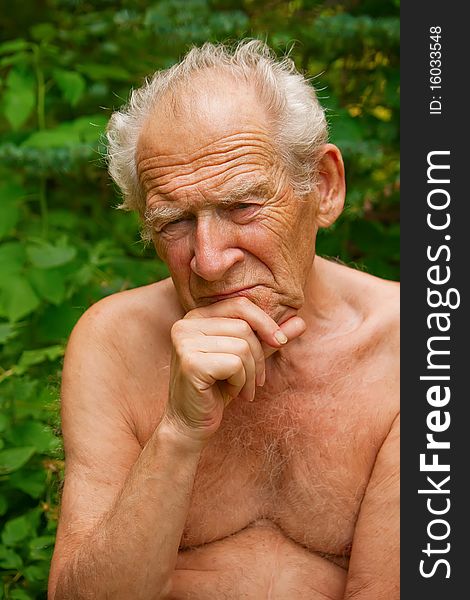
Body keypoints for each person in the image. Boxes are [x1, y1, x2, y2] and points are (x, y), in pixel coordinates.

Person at [48, 41, 399, 600]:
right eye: (174, 223)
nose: (209, 261)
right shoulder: (113, 342)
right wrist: (179, 431)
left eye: (241, 207)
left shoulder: (417, 347)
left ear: (324, 187)